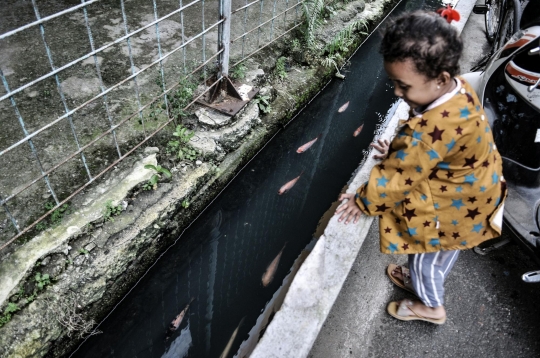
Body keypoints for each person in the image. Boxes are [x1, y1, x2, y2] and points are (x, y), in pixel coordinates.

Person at [335, 10, 506, 324]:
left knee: (423, 258)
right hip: (477, 193)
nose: (398, 93)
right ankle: (425, 283)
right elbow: (428, 146)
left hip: (454, 208)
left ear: (439, 79)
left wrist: (362, 201)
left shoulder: (427, 133)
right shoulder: (460, 89)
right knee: (445, 251)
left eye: (403, 86)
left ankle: (431, 306)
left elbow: (400, 176)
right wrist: (401, 147)